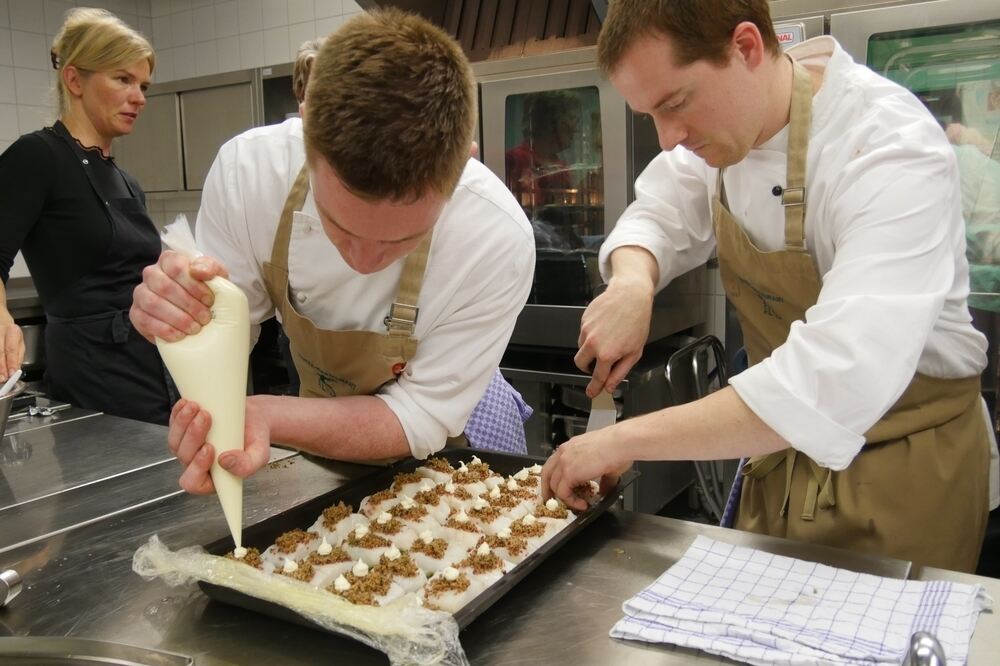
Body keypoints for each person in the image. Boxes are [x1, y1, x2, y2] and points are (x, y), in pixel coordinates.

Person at [541, 0, 996, 572]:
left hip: (903, 469)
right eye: (648, 114)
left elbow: (831, 377)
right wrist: (633, 284)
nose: (667, 137)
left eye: (675, 103)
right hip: (777, 454)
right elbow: (657, 212)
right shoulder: (720, 132)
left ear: (747, 48)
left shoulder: (888, 147)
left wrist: (621, 441)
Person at [129, 10, 535, 494]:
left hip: (446, 436)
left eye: (400, 241)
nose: (362, 262)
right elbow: (223, 329)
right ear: (306, 132)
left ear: (462, 164)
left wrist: (263, 414)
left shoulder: (493, 237)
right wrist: (179, 319)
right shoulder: (250, 176)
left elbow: (418, 415)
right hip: (317, 430)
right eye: (338, 227)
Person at [0, 8, 173, 425]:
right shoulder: (38, 156)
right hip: (91, 378)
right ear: (75, 80)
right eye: (123, 79)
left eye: (143, 85)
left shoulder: (125, 180)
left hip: (152, 370)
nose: (140, 97)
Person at [505, 91, 580, 209]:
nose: (576, 128)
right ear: (551, 122)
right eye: (572, 118)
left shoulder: (561, 167)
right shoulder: (515, 160)